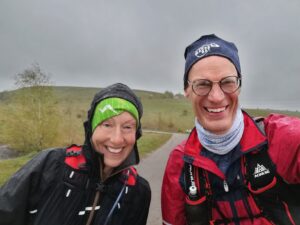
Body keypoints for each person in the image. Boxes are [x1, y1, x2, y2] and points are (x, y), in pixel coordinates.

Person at [161, 34, 300, 225]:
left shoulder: (281, 139)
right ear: (186, 90)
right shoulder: (179, 163)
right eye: (202, 84)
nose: (217, 97)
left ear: (239, 86)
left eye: (227, 82)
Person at [0, 83, 151, 225]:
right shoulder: (50, 166)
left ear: (136, 134)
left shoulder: (139, 191)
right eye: (107, 124)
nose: (117, 139)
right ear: (91, 129)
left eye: (127, 127)